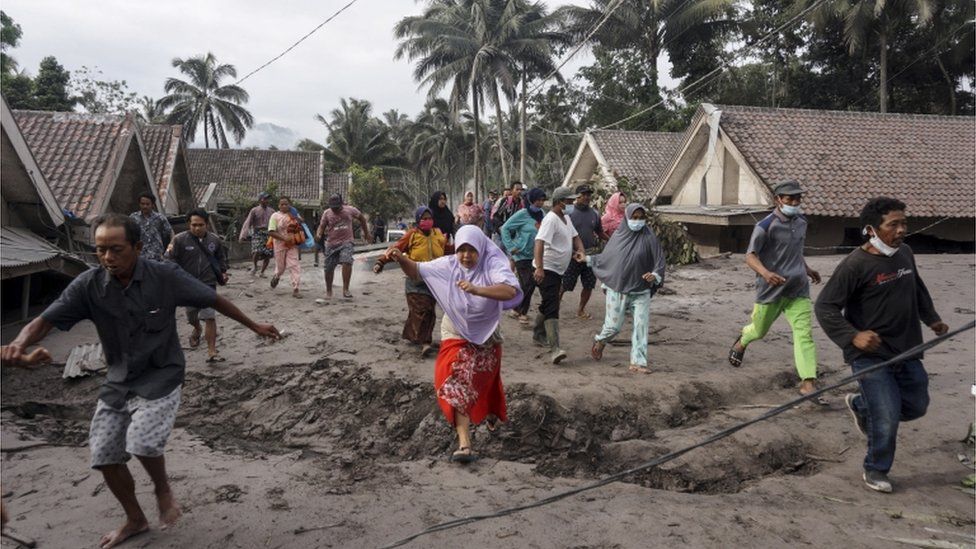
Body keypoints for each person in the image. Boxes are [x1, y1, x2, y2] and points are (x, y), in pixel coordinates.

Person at [0, 213, 279, 549]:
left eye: (116, 250)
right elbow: (45, 320)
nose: (107, 258)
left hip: (162, 373)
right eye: (100, 250)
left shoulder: (165, 276)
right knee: (104, 454)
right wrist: (19, 344)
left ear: (137, 247)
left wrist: (255, 326)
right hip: (119, 378)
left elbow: (212, 299)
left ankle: (162, 488)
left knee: (143, 440)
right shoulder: (89, 285)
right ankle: (135, 518)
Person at [815, 197, 947, 494]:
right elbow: (825, 307)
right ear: (871, 230)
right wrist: (853, 336)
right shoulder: (855, 265)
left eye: (904, 224)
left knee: (916, 406)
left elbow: (917, 289)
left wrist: (933, 319)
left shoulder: (905, 254)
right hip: (870, 354)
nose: (901, 230)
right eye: (893, 225)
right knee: (886, 414)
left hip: (908, 348)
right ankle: (875, 468)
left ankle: (861, 405)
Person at [384, 225, 521, 463]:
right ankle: (465, 444)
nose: (466, 256)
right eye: (461, 250)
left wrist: (478, 289)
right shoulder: (448, 264)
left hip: (486, 332)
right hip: (455, 329)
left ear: (480, 249)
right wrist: (400, 257)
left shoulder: (493, 264)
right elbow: (416, 271)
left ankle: (490, 412)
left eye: (471, 251)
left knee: (484, 379)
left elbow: (510, 291)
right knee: (456, 378)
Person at [728, 180, 822, 398]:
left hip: (798, 288)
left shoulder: (801, 222)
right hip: (770, 291)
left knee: (804, 335)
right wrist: (766, 273)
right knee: (759, 331)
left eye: (798, 198)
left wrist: (807, 269)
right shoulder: (764, 226)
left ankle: (808, 383)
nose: (794, 202)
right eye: (789, 199)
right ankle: (743, 339)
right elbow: (750, 257)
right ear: (778, 200)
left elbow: (795, 250)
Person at [588, 204, 665, 374]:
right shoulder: (619, 236)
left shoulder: (649, 237)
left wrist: (654, 275)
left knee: (641, 326)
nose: (637, 221)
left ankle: (638, 362)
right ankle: (600, 341)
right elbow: (606, 259)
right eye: (634, 217)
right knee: (613, 327)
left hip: (641, 290)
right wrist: (587, 259)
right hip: (618, 288)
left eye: (641, 218)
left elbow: (659, 261)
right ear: (627, 218)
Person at [374, 206, 453, 357]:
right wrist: (381, 262)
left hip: (433, 280)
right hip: (415, 279)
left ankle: (417, 337)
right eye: (424, 219)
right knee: (422, 310)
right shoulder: (412, 235)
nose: (427, 221)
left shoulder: (438, 234)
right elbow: (396, 249)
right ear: (418, 220)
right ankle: (426, 342)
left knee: (428, 310)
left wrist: (464, 249)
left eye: (429, 218)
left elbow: (447, 250)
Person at [166, 209, 229, 363]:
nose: (197, 228)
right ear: (189, 224)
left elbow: (221, 259)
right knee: (192, 316)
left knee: (209, 317)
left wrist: (223, 272)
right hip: (187, 285)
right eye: (194, 225)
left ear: (206, 225)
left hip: (208, 284)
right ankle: (197, 328)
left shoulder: (215, 240)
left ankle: (211, 351)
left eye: (201, 225)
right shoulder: (179, 240)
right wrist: (178, 275)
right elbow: (168, 259)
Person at [533, 186, 586, 364]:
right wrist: (539, 268)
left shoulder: (566, 218)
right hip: (547, 267)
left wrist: (581, 251)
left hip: (558, 269)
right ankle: (555, 347)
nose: (572, 204)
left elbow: (575, 237)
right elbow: (539, 242)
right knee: (553, 305)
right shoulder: (551, 219)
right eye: (569, 201)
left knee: (550, 300)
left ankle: (538, 332)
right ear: (560, 202)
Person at [562, 185, 611, 319]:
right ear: (576, 196)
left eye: (588, 195)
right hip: (573, 255)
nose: (586, 197)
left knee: (589, 285)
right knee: (565, 284)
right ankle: (554, 306)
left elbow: (599, 232)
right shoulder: (568, 212)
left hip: (590, 256)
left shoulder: (594, 213)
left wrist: (612, 241)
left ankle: (581, 310)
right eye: (583, 194)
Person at [501, 187, 547, 325]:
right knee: (528, 282)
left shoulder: (542, 215)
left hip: (535, 255)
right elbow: (505, 228)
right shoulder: (523, 213)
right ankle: (521, 312)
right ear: (531, 200)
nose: (540, 203)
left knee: (528, 283)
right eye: (538, 200)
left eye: (543, 200)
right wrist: (511, 247)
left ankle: (516, 309)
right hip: (521, 255)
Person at [316, 193, 372, 298]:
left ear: (341, 203)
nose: (335, 210)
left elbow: (362, 219)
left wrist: (367, 233)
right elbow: (321, 226)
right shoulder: (327, 213)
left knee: (347, 261)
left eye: (337, 208)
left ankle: (345, 289)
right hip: (331, 243)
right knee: (328, 268)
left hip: (347, 241)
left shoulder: (350, 210)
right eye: (333, 208)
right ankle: (329, 291)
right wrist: (319, 234)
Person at [268, 196, 304, 298]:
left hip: (292, 245)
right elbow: (271, 231)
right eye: (282, 204)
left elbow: (301, 223)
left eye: (286, 204)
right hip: (279, 244)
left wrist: (298, 219)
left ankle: (296, 288)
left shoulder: (293, 214)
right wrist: (284, 238)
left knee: (294, 265)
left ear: (289, 205)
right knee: (281, 268)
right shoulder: (274, 216)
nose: (284, 206)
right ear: (278, 206)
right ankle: (277, 276)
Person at [238, 191, 275, 277]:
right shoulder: (254, 210)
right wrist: (243, 235)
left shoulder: (272, 211)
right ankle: (254, 266)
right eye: (265, 199)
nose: (266, 200)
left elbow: (277, 223)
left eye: (267, 199)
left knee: (268, 254)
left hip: (269, 234)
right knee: (257, 250)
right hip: (257, 233)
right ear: (260, 200)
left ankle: (262, 272)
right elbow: (247, 223)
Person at [129, 192, 173, 262]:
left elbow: (170, 233)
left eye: (147, 204)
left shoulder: (160, 218)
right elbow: (128, 234)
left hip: (157, 255)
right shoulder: (133, 218)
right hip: (140, 256)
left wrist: (169, 249)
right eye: (142, 204)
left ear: (152, 205)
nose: (145, 206)